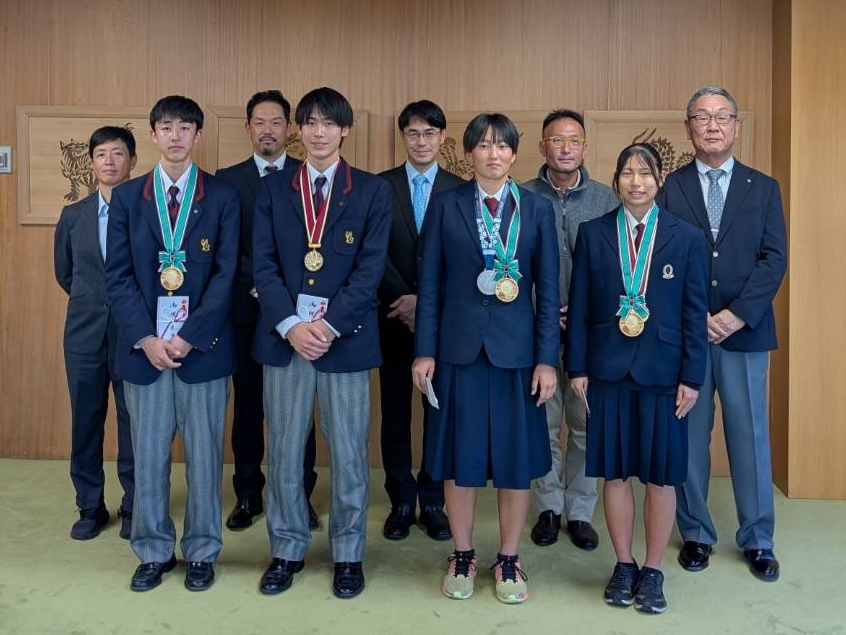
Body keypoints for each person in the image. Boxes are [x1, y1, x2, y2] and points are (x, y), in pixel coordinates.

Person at [413, 113, 559, 604]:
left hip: (518, 357)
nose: (493, 154)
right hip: (459, 352)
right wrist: (424, 352)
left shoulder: (536, 211)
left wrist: (546, 360)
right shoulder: (446, 206)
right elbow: (429, 286)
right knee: (461, 459)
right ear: (469, 154)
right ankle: (462, 552)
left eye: (502, 146)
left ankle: (510, 556)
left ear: (515, 155)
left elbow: (548, 291)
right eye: (483, 145)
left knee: (515, 463)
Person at [252, 87, 391, 599]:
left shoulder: (372, 191)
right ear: (299, 130)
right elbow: (263, 266)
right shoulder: (272, 189)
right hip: (286, 341)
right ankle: (286, 548)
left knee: (350, 453)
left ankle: (348, 553)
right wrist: (291, 324)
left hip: (345, 342)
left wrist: (328, 326)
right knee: (285, 451)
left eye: (328, 123)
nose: (318, 131)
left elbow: (370, 270)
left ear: (345, 130)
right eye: (308, 122)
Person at [105, 95, 240, 592]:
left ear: (198, 136)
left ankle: (202, 550)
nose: (177, 135)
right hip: (145, 353)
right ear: (154, 136)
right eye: (167, 127)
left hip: (201, 351)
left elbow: (226, 277)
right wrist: (146, 337)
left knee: (205, 456)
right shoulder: (127, 198)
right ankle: (153, 550)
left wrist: (186, 336)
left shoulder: (223, 197)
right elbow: (116, 277)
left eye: (186, 127)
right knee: (149, 456)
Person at [566, 143, 708, 614]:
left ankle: (652, 571)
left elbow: (694, 313)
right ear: (616, 179)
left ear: (659, 178)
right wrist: (578, 368)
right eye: (627, 172)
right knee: (616, 472)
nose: (636, 182)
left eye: (645, 173)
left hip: (665, 374)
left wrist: (693, 375)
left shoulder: (685, 238)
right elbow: (582, 304)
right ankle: (623, 564)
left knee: (662, 478)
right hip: (607, 370)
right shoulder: (594, 233)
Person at [660, 86, 788, 582]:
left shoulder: (764, 187)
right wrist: (696, 319)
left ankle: (758, 538)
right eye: (701, 117)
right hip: (689, 338)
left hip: (744, 334)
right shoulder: (671, 187)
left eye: (722, 117)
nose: (712, 125)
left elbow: (774, 258)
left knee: (749, 435)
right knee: (689, 436)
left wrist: (737, 314)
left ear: (736, 126)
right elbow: (663, 259)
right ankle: (696, 532)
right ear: (688, 126)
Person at [215, 90, 319, 531]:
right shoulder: (227, 179)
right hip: (245, 311)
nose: (268, 130)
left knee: (299, 412)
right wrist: (262, 287)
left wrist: (287, 298)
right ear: (248, 129)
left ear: (290, 129)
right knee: (249, 409)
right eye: (260, 122)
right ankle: (247, 494)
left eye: (277, 122)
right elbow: (226, 247)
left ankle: (299, 495)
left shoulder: (308, 175)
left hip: (299, 317)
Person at [523, 109, 618, 550]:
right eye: (555, 140)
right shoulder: (521, 196)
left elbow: (621, 271)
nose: (565, 148)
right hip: (533, 331)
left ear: (584, 147)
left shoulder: (608, 200)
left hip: (592, 335)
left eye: (573, 140)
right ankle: (548, 508)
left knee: (585, 423)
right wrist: (544, 310)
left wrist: (583, 312)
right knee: (542, 421)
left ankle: (580, 510)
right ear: (542, 147)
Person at [377, 100, 463, 541]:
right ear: (403, 137)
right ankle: (401, 500)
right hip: (392, 316)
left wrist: (425, 302)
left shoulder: (461, 189)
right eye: (412, 133)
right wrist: (404, 299)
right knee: (393, 411)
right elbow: (372, 253)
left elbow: (464, 260)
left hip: (444, 321)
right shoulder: (379, 187)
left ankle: (432, 499)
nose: (421, 141)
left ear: (442, 138)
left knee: (438, 411)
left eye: (429, 133)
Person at [54, 126, 137, 541]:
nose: (109, 160)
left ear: (132, 162)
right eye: (101, 154)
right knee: (86, 421)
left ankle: (134, 504)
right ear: (91, 162)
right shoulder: (73, 216)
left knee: (133, 421)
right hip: (84, 336)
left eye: (117, 153)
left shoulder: (146, 211)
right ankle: (89, 505)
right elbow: (65, 274)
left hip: (133, 336)